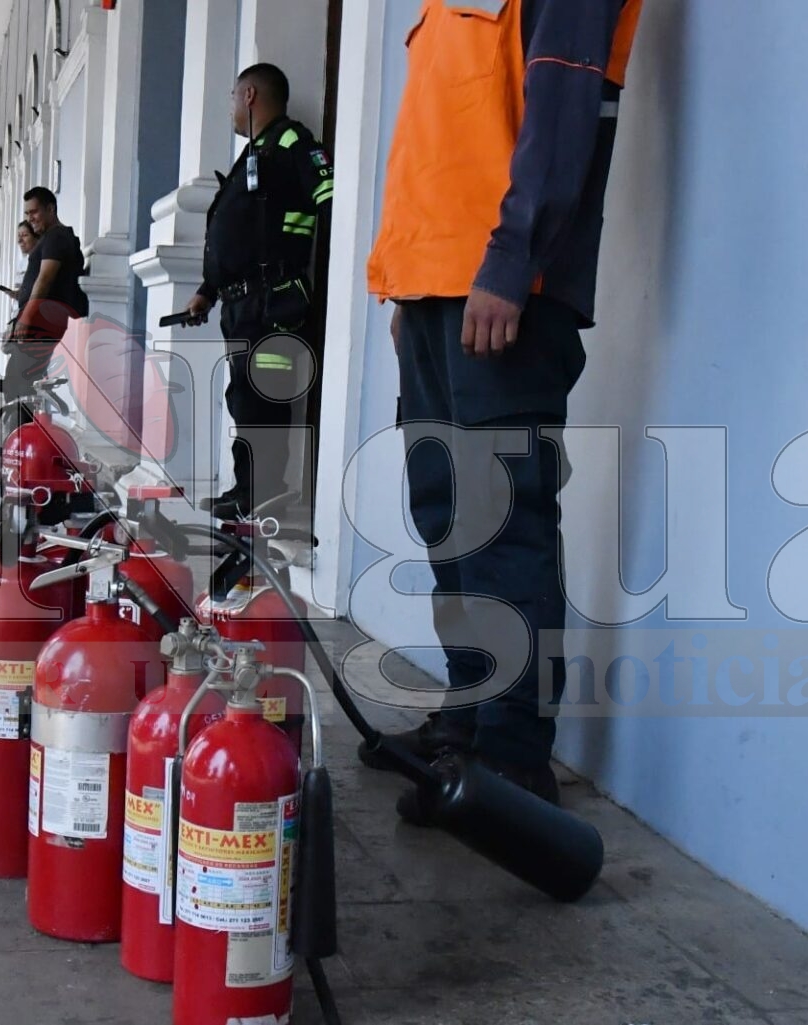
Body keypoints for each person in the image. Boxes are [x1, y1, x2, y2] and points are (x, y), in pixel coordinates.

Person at [359, 0, 645, 809]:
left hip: (500, 286)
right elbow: (440, 134)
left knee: (503, 521)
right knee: (447, 515)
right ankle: (470, 719)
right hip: (434, 287)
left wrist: (512, 262)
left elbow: (561, 108)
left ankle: (515, 758)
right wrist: (407, 292)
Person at [185, 63, 334, 520]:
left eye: (233, 96)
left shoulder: (292, 143)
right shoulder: (254, 153)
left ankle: (266, 496)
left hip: (274, 303)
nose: (230, 106)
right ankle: (248, 492)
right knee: (245, 400)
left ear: (250, 95)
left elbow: (330, 200)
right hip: (242, 304)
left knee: (265, 400)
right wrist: (208, 290)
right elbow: (244, 233)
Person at [6, 187, 88, 405]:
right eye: (27, 214)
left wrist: (26, 318)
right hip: (37, 324)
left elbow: (45, 279)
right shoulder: (50, 238)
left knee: (21, 389)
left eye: (34, 212)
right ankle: (20, 435)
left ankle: (23, 436)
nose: (30, 219)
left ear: (50, 209)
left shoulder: (57, 237)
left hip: (41, 326)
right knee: (18, 387)